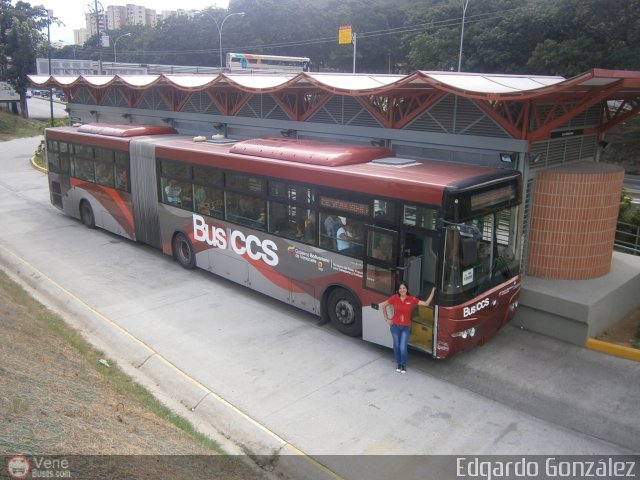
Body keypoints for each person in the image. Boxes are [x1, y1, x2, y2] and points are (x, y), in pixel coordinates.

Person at [379, 282, 435, 373]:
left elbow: (426, 303)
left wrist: (433, 291)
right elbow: (383, 305)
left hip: (406, 328)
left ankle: (403, 364)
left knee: (402, 348)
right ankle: (398, 363)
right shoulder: (394, 298)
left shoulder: (412, 299)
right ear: (398, 290)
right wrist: (387, 319)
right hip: (395, 327)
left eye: (404, 288)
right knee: (396, 346)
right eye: (400, 288)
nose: (402, 290)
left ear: (407, 289)